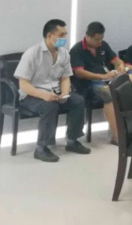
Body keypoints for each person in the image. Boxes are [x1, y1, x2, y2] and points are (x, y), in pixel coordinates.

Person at [14, 19, 90, 162]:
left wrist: (65, 93)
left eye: (65, 34)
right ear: (49, 35)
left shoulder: (64, 54)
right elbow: (23, 84)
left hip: (54, 93)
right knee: (49, 106)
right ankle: (41, 148)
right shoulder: (32, 54)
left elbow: (65, 78)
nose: (64, 38)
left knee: (78, 101)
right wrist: (43, 95)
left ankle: (72, 141)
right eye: (61, 35)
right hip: (31, 95)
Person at [70, 21, 132, 144]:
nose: (99, 42)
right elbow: (79, 73)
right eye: (97, 39)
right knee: (110, 95)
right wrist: (102, 76)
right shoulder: (77, 50)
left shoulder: (103, 45)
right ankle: (117, 137)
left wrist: (120, 66)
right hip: (88, 84)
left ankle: (127, 130)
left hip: (106, 79)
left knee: (125, 89)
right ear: (88, 36)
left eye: (101, 39)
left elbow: (116, 60)